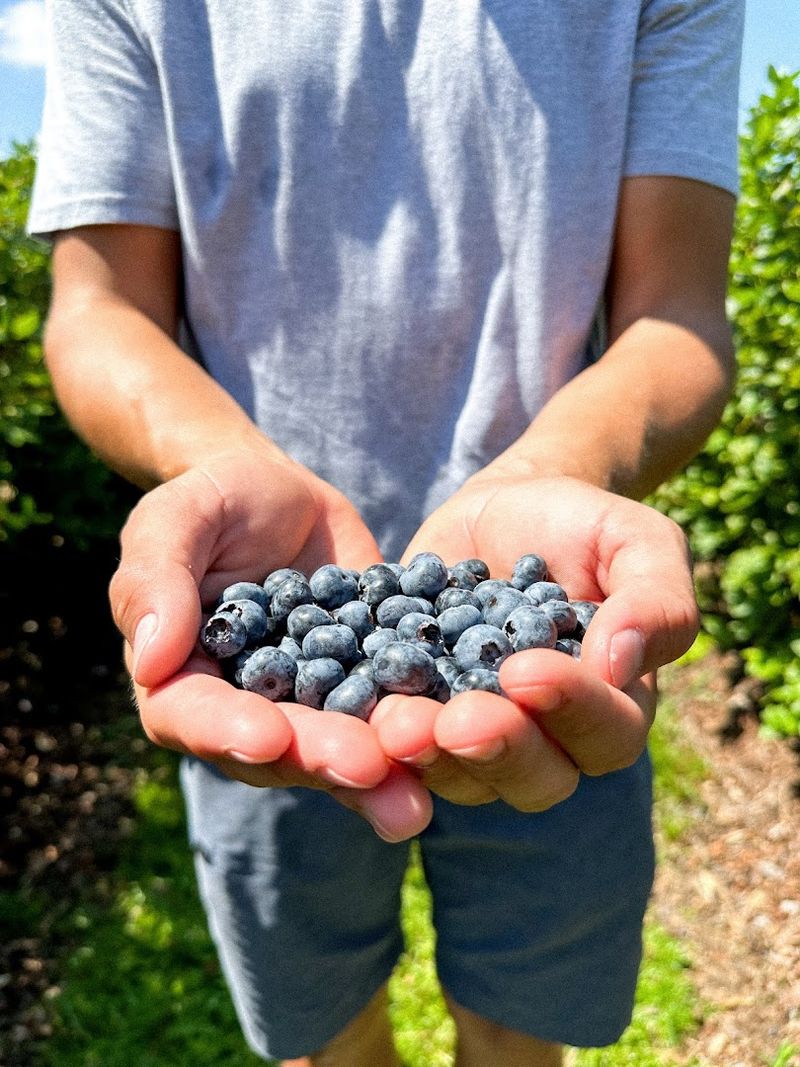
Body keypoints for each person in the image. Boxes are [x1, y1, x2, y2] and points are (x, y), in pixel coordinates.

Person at [29, 1, 744, 1063]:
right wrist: (223, 466)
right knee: (322, 1027)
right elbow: (97, 307)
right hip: (257, 593)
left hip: (551, 641)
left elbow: (676, 310)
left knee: (522, 1024)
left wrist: (556, 467)